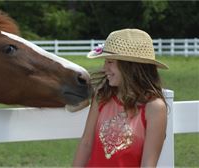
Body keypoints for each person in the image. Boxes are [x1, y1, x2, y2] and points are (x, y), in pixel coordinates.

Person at [72, 29, 169, 167]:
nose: (104, 67)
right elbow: (86, 143)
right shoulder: (102, 97)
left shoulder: (154, 108)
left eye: (110, 62)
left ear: (130, 66)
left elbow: (148, 163)